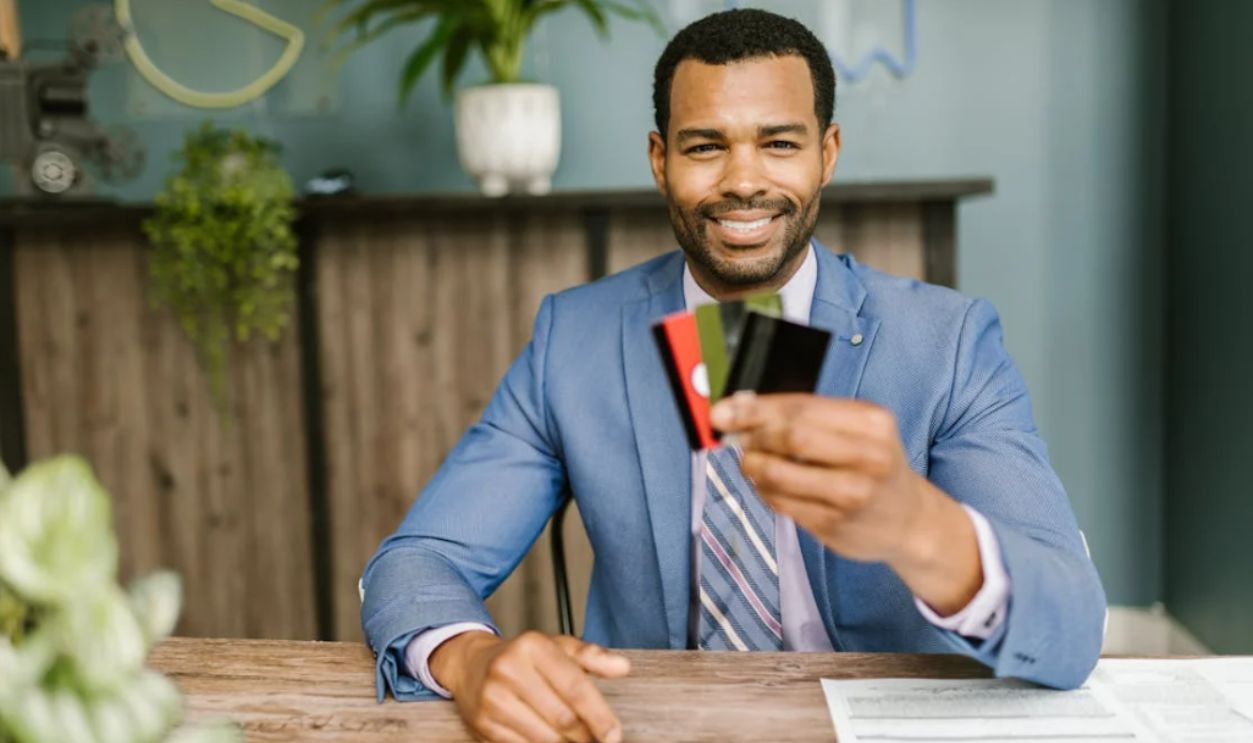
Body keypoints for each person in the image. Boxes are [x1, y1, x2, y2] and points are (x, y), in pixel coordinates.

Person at [361, 8, 1106, 743]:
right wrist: (468, 657)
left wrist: (919, 526)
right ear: (660, 160)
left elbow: (1072, 626)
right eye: (704, 146)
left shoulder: (947, 343)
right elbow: (417, 560)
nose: (742, 181)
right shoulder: (573, 339)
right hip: (647, 725)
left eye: (779, 143)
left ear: (828, 152)